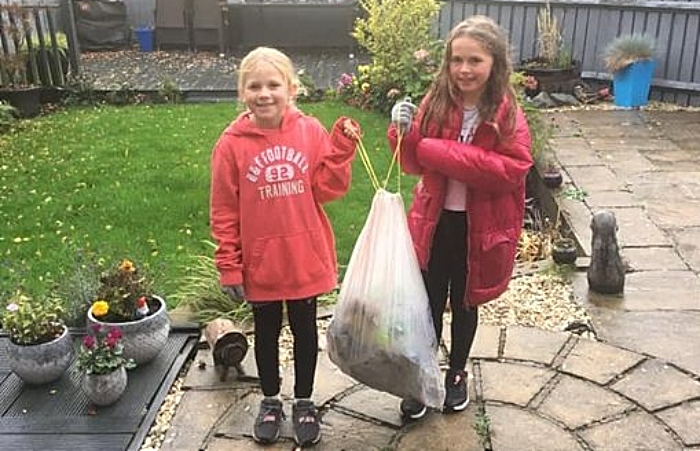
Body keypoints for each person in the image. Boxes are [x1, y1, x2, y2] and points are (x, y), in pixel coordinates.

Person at [209, 46, 362, 446]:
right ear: (242, 92)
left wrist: (341, 152)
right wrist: (230, 264)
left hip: (302, 260)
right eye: (254, 86)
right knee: (266, 332)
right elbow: (223, 209)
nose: (264, 93)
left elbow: (328, 189)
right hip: (261, 265)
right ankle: (272, 399)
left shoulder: (309, 131)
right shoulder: (231, 145)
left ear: (291, 89)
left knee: (305, 332)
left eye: (273, 84)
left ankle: (305, 401)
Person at [387, 15, 533, 420]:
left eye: (475, 61)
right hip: (436, 222)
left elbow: (512, 169)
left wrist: (437, 151)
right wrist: (404, 133)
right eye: (456, 60)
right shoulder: (437, 103)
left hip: (478, 228)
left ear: (494, 63)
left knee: (465, 304)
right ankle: (423, 374)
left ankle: (456, 373)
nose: (464, 70)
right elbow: (413, 162)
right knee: (429, 302)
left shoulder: (505, 112)